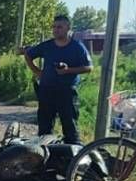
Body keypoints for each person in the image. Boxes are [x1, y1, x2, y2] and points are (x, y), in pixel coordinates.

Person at [24, 14, 92, 144]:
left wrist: (68, 70)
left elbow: (89, 68)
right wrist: (37, 72)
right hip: (46, 90)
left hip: (66, 91)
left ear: (68, 28)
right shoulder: (47, 45)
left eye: (59, 27)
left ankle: (73, 160)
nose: (56, 30)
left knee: (70, 127)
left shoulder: (77, 47)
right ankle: (43, 159)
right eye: (54, 27)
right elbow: (28, 55)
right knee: (44, 128)